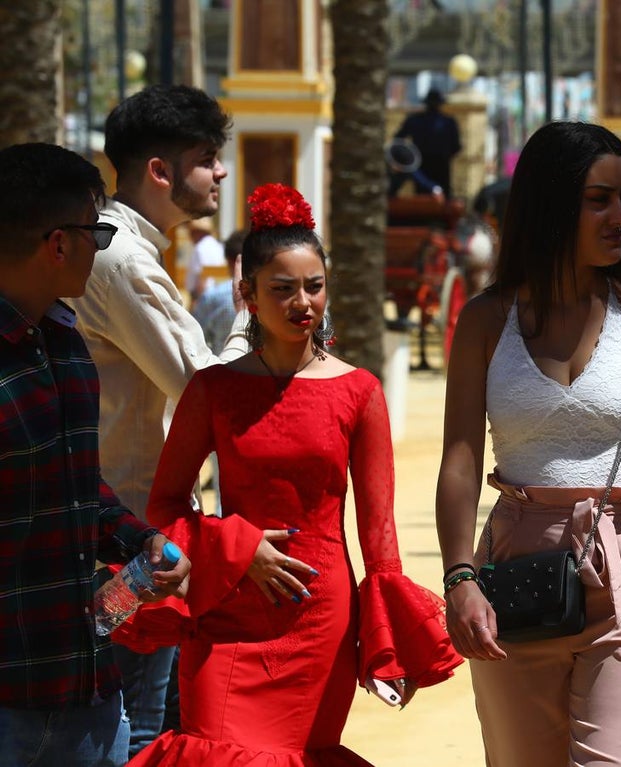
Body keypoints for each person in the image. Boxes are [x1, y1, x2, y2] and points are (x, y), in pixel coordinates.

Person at [120, 183, 462, 765]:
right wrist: (237, 546)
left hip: (317, 618)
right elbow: (166, 506)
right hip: (226, 607)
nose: (303, 302)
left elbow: (380, 541)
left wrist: (387, 646)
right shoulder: (214, 390)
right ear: (247, 294)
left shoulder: (359, 391)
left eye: (314, 286)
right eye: (282, 289)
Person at [435, 121, 621, 767]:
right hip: (516, 571)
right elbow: (460, 458)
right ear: (551, 203)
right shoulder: (486, 318)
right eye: (600, 199)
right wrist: (459, 577)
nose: (620, 215)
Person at [0, 142, 191, 767]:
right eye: (96, 232)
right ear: (58, 243)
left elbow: (77, 487)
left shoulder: (66, 342)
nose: (101, 247)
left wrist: (137, 540)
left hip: (88, 690)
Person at [69, 84, 240, 756]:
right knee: (139, 724)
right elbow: (205, 390)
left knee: (145, 713)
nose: (220, 171)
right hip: (130, 540)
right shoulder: (122, 260)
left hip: (127, 528)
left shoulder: (118, 248)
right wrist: (258, 318)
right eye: (206, 156)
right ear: (160, 172)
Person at [388, 88, 462, 198]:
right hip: (441, 165)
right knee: (443, 198)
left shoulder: (414, 120)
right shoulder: (449, 122)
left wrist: (407, 157)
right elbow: (456, 147)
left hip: (420, 164)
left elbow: (398, 140)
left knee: (422, 197)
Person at [192, 228, 244, 355]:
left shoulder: (212, 297)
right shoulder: (271, 294)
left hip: (221, 367)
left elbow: (194, 340)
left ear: (229, 261)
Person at [184, 217, 226, 305]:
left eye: (191, 232)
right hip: (219, 295)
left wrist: (195, 302)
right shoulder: (217, 246)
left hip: (203, 297)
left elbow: (202, 278)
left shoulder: (200, 248)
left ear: (197, 232)